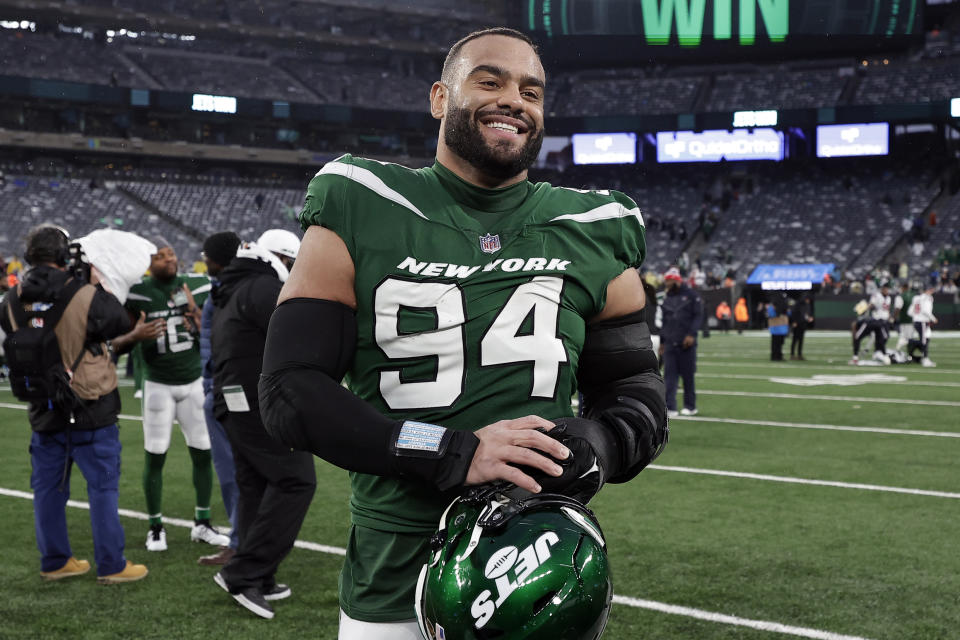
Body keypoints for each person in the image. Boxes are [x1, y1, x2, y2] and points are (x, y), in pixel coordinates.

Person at [257, 27, 668, 639]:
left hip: (539, 568)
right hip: (395, 573)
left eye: (532, 91)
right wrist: (450, 451)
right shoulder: (362, 201)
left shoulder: (596, 226)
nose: (515, 100)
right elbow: (289, 390)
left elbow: (637, 391)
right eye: (489, 80)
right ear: (440, 98)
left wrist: (595, 446)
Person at [0, 225, 147, 584]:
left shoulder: (10, 299)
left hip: (43, 406)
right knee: (103, 489)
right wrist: (94, 281)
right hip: (90, 406)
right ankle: (112, 566)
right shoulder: (83, 292)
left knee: (48, 490)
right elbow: (114, 321)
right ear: (65, 255)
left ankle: (55, 561)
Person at [211, 234, 316, 620]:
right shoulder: (262, 287)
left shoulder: (237, 286)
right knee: (296, 481)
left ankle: (259, 572)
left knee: (257, 485)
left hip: (234, 401)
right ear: (283, 258)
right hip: (257, 404)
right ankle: (245, 573)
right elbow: (300, 335)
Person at [124, 238, 230, 552]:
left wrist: (195, 314)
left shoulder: (197, 285)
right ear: (149, 262)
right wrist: (136, 335)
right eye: (160, 256)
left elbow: (216, 324)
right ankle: (155, 526)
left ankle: (202, 523)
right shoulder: (136, 292)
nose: (168, 259)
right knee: (155, 454)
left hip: (193, 381)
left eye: (170, 254)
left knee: (202, 452)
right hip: (158, 384)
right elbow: (122, 335)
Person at [197, 231, 241, 566]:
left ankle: (241, 542)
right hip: (229, 390)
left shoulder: (229, 292)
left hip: (226, 392)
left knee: (233, 473)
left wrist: (211, 387)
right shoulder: (227, 290)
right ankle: (243, 539)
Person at [659, 266, 702, 417]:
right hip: (670, 343)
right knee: (669, 378)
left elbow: (698, 316)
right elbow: (665, 322)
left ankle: (690, 406)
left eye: (669, 281)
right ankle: (670, 407)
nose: (666, 284)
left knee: (688, 377)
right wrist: (663, 342)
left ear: (676, 280)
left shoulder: (692, 295)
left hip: (686, 344)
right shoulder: (667, 298)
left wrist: (692, 334)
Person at [906, 283, 937, 367]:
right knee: (924, 340)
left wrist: (916, 317)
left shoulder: (916, 298)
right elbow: (925, 311)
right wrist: (933, 319)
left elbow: (909, 312)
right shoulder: (928, 298)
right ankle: (925, 359)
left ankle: (912, 343)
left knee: (926, 339)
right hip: (922, 322)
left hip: (917, 321)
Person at [789, 294, 813, 360]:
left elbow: (807, 314)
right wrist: (794, 322)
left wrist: (809, 318)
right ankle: (792, 355)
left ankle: (799, 354)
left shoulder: (807, 305)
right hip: (797, 324)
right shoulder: (798, 304)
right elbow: (794, 313)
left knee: (801, 340)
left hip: (803, 324)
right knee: (795, 340)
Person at [893, 282, 915, 352]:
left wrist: (893, 318)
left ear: (903, 288)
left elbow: (898, 308)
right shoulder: (914, 295)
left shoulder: (900, 296)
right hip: (913, 320)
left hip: (904, 320)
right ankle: (910, 353)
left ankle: (897, 350)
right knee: (910, 338)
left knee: (903, 337)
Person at [766, 294, 789, 361]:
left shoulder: (772, 306)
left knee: (775, 342)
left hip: (775, 327)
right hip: (781, 327)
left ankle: (775, 356)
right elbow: (788, 313)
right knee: (779, 342)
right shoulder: (783, 305)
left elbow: (771, 314)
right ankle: (778, 356)